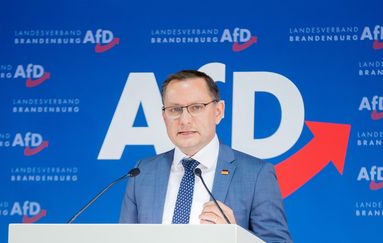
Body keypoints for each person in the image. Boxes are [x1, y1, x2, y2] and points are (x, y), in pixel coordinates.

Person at [120, 70, 292, 242]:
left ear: (218, 111)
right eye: (175, 109)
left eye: (196, 107)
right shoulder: (142, 173)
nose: (185, 120)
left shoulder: (256, 174)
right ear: (164, 116)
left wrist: (236, 237)